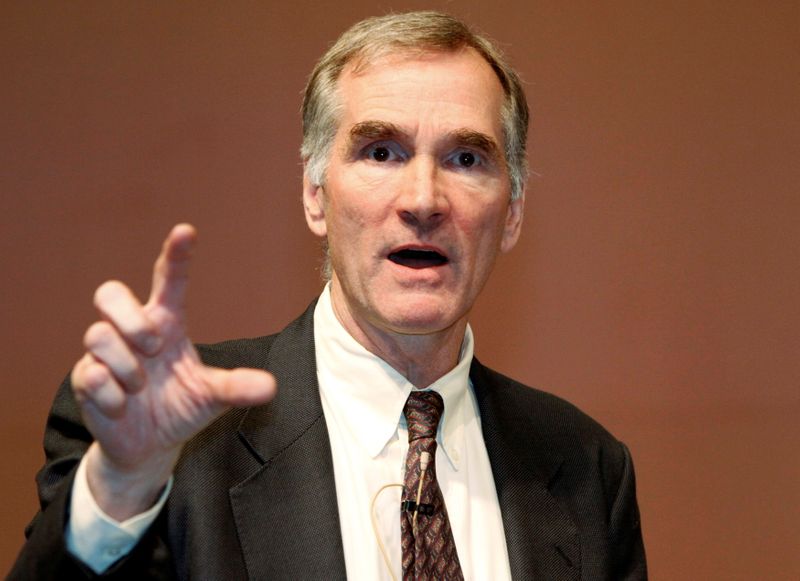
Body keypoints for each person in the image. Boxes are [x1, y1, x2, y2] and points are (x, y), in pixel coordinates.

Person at [10, 11, 646, 580]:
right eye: (381, 152)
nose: (423, 200)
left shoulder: (586, 469)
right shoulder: (180, 442)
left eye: (466, 159)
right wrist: (121, 488)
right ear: (316, 194)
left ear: (512, 214)